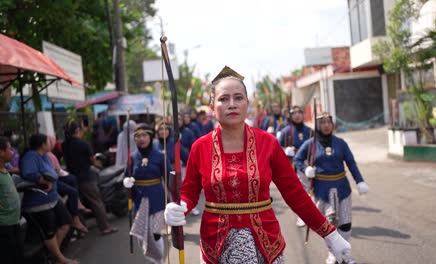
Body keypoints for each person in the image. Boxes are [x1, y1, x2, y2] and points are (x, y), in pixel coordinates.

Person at [164, 66, 352, 264]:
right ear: (212, 105)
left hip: (267, 240)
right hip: (216, 242)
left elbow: (294, 193)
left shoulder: (268, 143)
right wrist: (180, 206)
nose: (232, 104)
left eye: (238, 98)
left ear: (247, 103)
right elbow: (190, 192)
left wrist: (330, 234)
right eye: (223, 99)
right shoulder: (200, 147)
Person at [293, 112, 369, 264]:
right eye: (323, 122)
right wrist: (306, 168)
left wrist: (359, 181)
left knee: (345, 224)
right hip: (322, 190)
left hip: (342, 189)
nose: (326, 125)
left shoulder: (341, 143)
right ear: (317, 126)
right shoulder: (310, 144)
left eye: (329, 122)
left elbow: (351, 163)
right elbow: (297, 159)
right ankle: (333, 254)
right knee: (328, 226)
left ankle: (346, 255)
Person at [20, 134, 77, 264]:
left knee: (66, 223)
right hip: (40, 202)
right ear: (42, 144)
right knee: (49, 233)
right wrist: (43, 180)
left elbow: (52, 172)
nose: (50, 143)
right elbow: (28, 173)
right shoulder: (31, 156)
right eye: (47, 141)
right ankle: (59, 258)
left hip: (53, 198)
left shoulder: (44, 156)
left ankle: (52, 256)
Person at [122, 123, 172, 263]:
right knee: (141, 235)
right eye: (137, 136)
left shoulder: (160, 156)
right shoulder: (132, 157)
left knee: (154, 233)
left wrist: (173, 200)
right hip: (139, 200)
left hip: (157, 200)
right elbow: (126, 176)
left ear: (150, 137)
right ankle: (155, 259)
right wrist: (127, 182)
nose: (141, 138)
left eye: (144, 135)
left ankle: (160, 260)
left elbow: (169, 179)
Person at [62, 120, 117, 236]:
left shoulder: (65, 144)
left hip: (72, 178)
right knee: (97, 202)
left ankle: (82, 230)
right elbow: (92, 160)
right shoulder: (83, 144)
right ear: (77, 130)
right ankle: (105, 227)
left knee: (77, 203)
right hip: (86, 178)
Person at [277, 105, 313, 227]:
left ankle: (313, 215)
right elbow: (276, 150)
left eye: (299, 113)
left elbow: (317, 148)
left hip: (307, 165)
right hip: (292, 166)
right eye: (294, 113)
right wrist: (285, 150)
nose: (297, 115)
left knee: (311, 192)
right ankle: (302, 216)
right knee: (298, 193)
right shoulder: (286, 132)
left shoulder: (310, 131)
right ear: (291, 116)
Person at [47, 135, 88, 236]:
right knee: (72, 188)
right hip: (52, 184)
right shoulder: (48, 155)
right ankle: (76, 218)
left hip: (55, 181)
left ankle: (77, 213)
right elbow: (56, 171)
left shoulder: (51, 153)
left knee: (72, 182)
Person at [0, 136, 23, 264]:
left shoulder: (5, 170)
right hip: (4, 225)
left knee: (17, 254)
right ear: (1, 152)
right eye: (9, 149)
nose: (12, 152)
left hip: (14, 221)